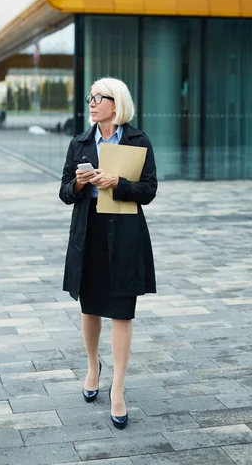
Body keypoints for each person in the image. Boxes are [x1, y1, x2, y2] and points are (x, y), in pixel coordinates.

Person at [59, 77, 157, 430]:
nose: (92, 102)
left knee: (121, 311)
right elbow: (65, 192)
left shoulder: (137, 140)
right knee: (90, 306)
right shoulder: (80, 142)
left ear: (117, 104)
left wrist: (118, 183)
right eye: (90, 97)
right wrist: (81, 183)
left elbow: (148, 191)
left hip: (125, 234)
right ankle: (92, 367)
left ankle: (118, 387)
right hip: (90, 234)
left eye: (99, 97)